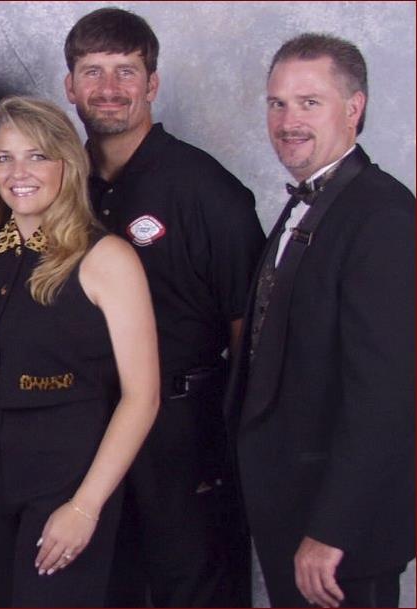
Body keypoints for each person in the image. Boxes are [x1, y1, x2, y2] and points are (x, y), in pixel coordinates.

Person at [62, 8, 265, 606]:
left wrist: (234, 447)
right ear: (70, 86)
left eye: (125, 71)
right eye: (92, 71)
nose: (108, 88)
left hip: (187, 432)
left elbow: (251, 335)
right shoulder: (60, 187)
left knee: (197, 591)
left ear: (152, 83)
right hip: (89, 430)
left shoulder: (209, 192)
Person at [227, 33, 415, 608]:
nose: (289, 122)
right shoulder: (312, 201)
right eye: (277, 103)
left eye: (309, 102)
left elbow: (388, 396)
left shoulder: (383, 216)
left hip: (339, 532)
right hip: (290, 504)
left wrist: (333, 530)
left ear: (354, 107)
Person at [0, 96, 159, 607]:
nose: (18, 173)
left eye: (37, 156)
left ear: (67, 164)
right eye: (4, 158)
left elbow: (142, 398)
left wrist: (86, 506)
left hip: (72, 478)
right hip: (0, 480)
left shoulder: (107, 258)